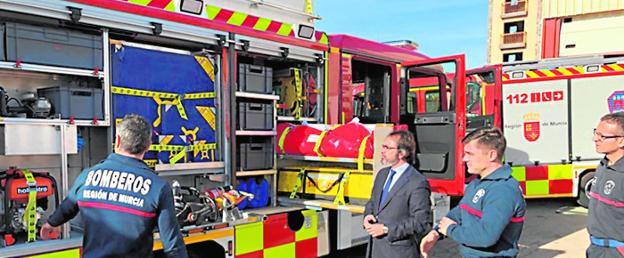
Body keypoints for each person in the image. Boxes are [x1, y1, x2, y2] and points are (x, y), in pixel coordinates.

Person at [40, 114, 187, 258]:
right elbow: (172, 245)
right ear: (148, 146)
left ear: (117, 141)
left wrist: (51, 223)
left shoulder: (88, 176)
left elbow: (69, 206)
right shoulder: (158, 187)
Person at [420, 127, 526, 258]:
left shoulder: (502, 190)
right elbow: (462, 210)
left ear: (491, 155)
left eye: (470, 154)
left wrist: (450, 230)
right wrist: (437, 232)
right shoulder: (478, 182)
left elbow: (486, 237)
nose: (464, 159)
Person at [362, 130, 432, 258]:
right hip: (375, 250)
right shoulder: (382, 174)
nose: (382, 151)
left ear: (401, 153)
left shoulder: (417, 182)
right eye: (382, 146)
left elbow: (421, 222)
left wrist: (386, 229)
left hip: (398, 252)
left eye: (387, 147)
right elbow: (372, 202)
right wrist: (367, 216)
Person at [587, 112, 624, 257]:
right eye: (596, 133)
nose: (595, 139)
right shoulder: (603, 165)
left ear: (621, 141)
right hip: (596, 248)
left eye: (603, 136)